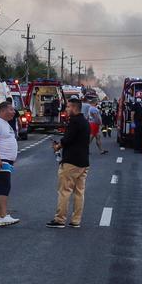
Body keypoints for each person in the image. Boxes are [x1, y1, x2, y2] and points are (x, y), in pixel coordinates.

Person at [48, 98, 91, 228]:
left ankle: (60, 219)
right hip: (84, 162)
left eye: (67, 107)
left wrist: (57, 146)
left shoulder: (74, 122)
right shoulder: (85, 122)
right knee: (79, 193)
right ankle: (76, 220)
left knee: (64, 191)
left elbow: (67, 139)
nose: (66, 110)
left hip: (71, 162)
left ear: (74, 108)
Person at [0, 100, 20, 226]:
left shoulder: (4, 123)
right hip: (1, 161)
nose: (13, 112)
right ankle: (3, 215)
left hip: (5, 161)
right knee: (3, 188)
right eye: (11, 109)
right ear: (2, 110)